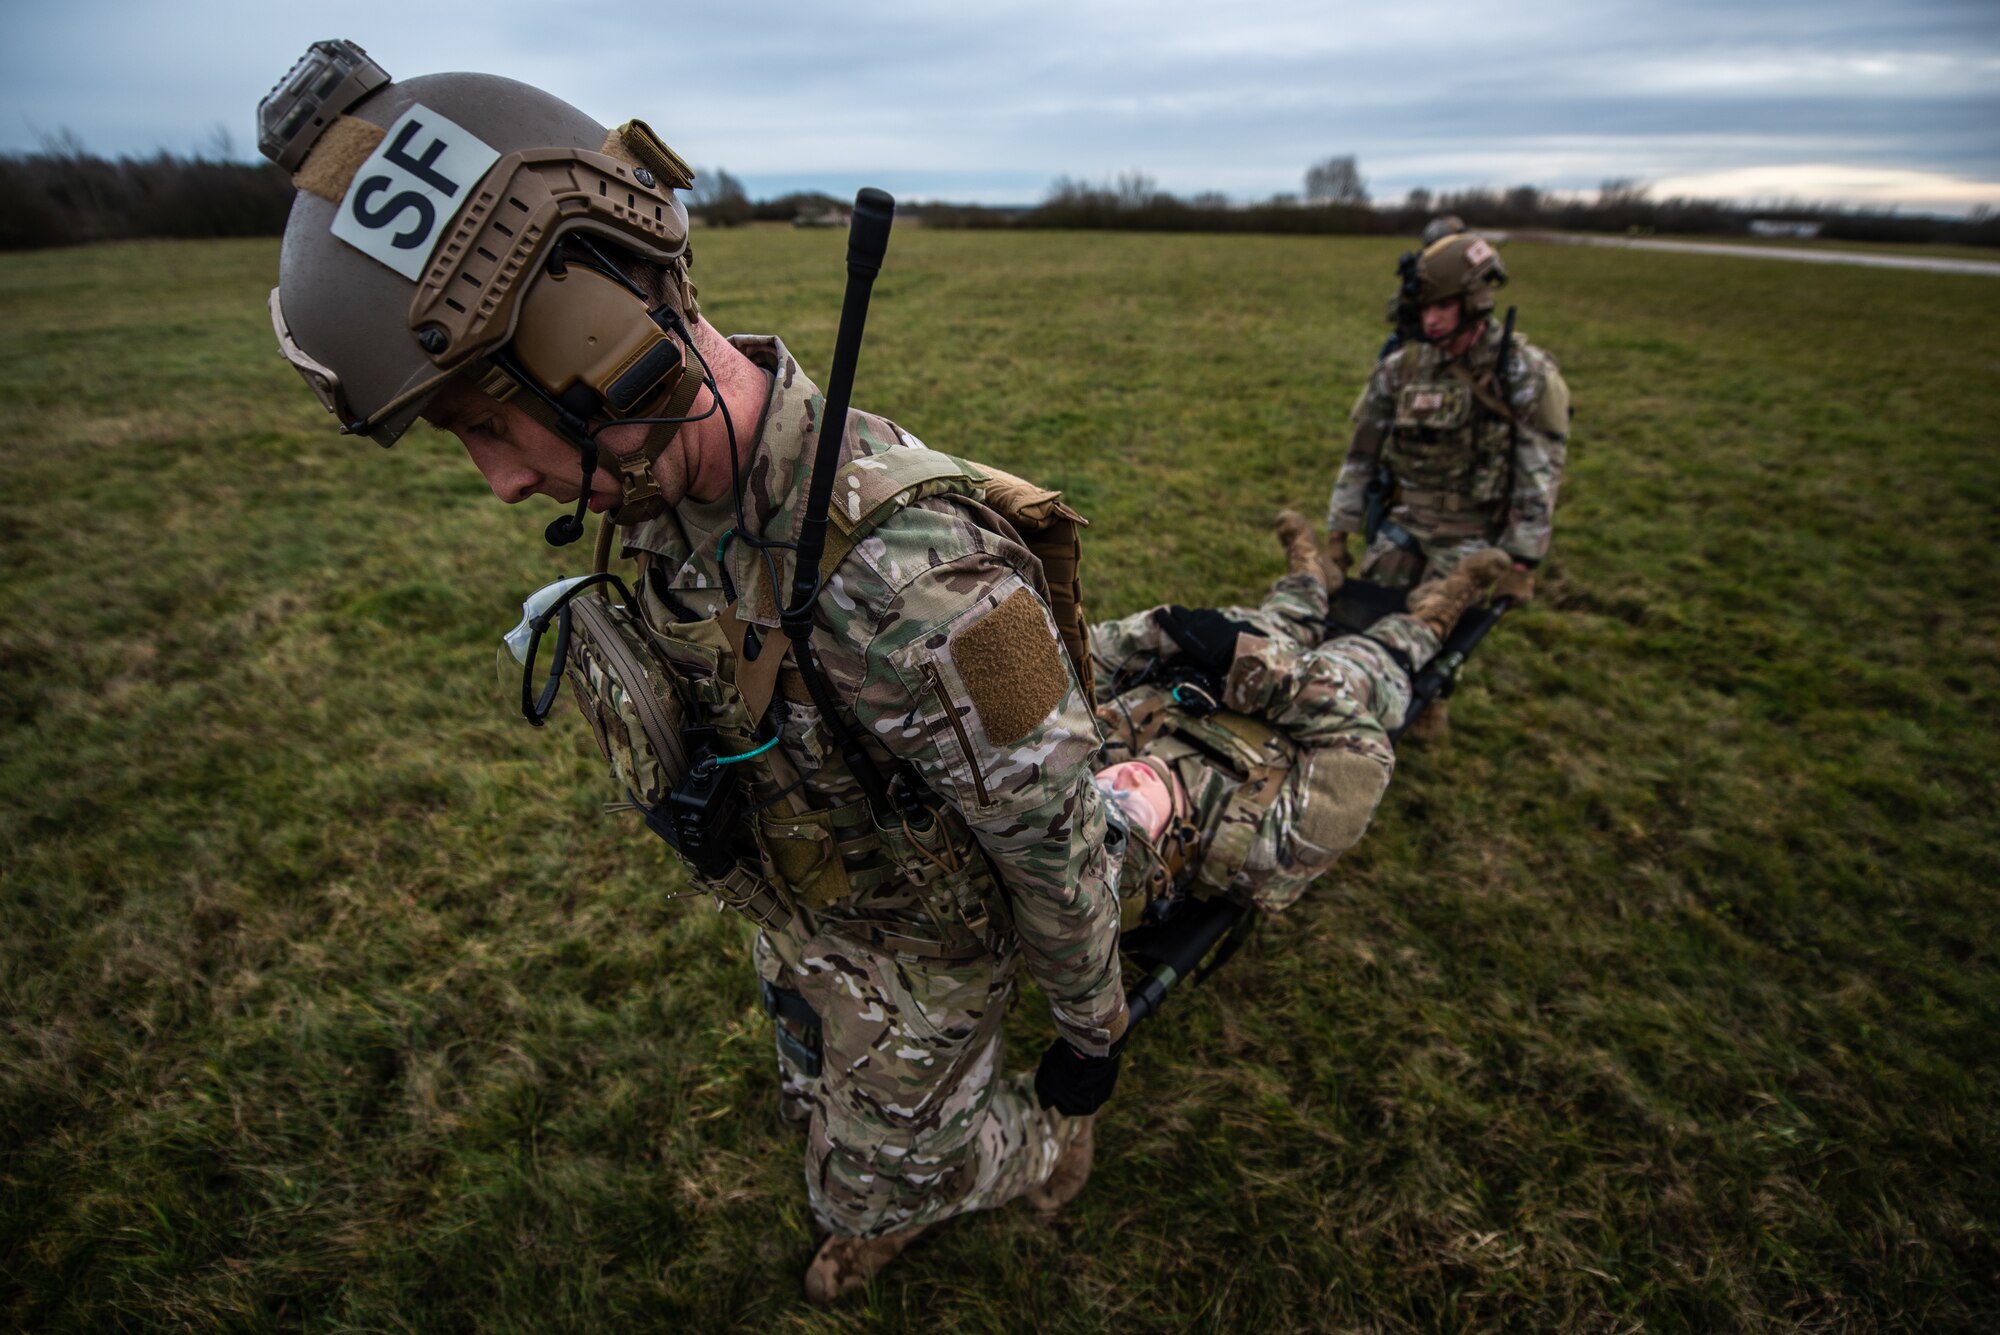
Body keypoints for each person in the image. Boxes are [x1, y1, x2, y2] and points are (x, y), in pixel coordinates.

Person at [256, 41, 1123, 1303]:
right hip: (814, 916)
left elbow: (1053, 837)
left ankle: (1031, 1157)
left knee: (864, 1183)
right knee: (811, 1093)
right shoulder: (667, 500)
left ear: (598, 342)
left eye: (491, 422)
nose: (498, 480)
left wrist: (1088, 1038)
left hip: (929, 941)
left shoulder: (915, 580)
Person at [1088, 514, 1510, 912]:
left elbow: (1081, 658)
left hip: (1233, 669)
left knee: (1283, 616)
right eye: (1131, 812)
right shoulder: (1270, 851)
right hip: (1320, 695)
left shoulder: (1091, 756)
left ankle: (1311, 570)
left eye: (1092, 799)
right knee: (1381, 653)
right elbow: (1360, 746)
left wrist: (1156, 630)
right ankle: (1443, 603)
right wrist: (1249, 666)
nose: (1124, 779)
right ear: (1167, 857)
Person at [1328, 233, 1570, 602]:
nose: (1432, 321)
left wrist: (1523, 561)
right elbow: (1361, 455)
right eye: (1425, 309)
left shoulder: (1523, 373)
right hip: (1402, 524)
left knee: (1428, 637)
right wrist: (1338, 535)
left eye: (1443, 307)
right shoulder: (1401, 369)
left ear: (1474, 300)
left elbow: (1538, 471)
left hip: (1470, 535)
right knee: (1363, 625)